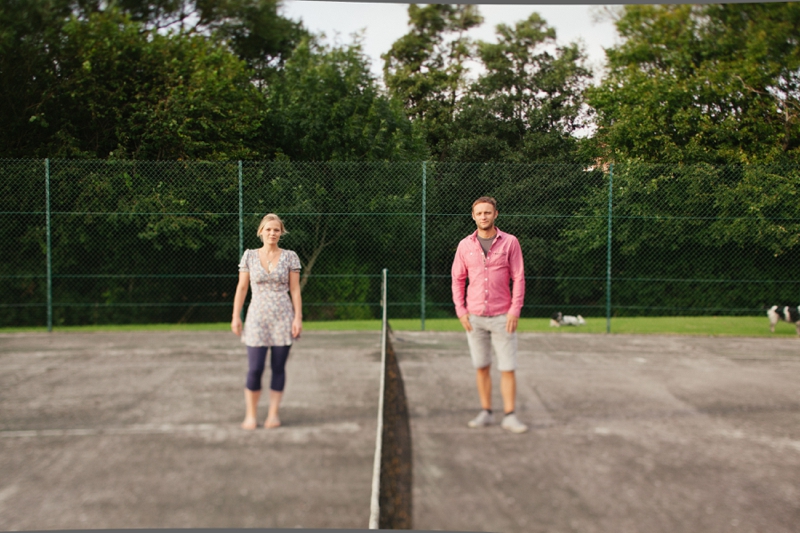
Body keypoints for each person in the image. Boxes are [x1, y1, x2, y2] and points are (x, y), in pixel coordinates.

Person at [451, 196, 528, 434]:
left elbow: (519, 277)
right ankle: (486, 411)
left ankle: (510, 415)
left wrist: (515, 309)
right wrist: (461, 310)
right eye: (479, 213)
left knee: (507, 367)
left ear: (496, 214)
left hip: (502, 316)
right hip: (474, 318)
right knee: (481, 366)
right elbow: (457, 279)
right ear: (473, 216)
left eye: (488, 212)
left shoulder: (510, 242)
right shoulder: (465, 245)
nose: (483, 217)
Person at [231, 213, 303, 430]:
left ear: (281, 233)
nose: (272, 233)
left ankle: (273, 414)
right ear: (261, 231)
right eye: (268, 229)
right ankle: (251, 415)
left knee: (278, 367)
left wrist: (298, 317)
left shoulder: (290, 256)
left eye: (276, 230)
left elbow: (295, 289)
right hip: (256, 318)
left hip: (283, 318)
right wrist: (236, 316)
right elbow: (242, 288)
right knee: (254, 368)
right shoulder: (250, 256)